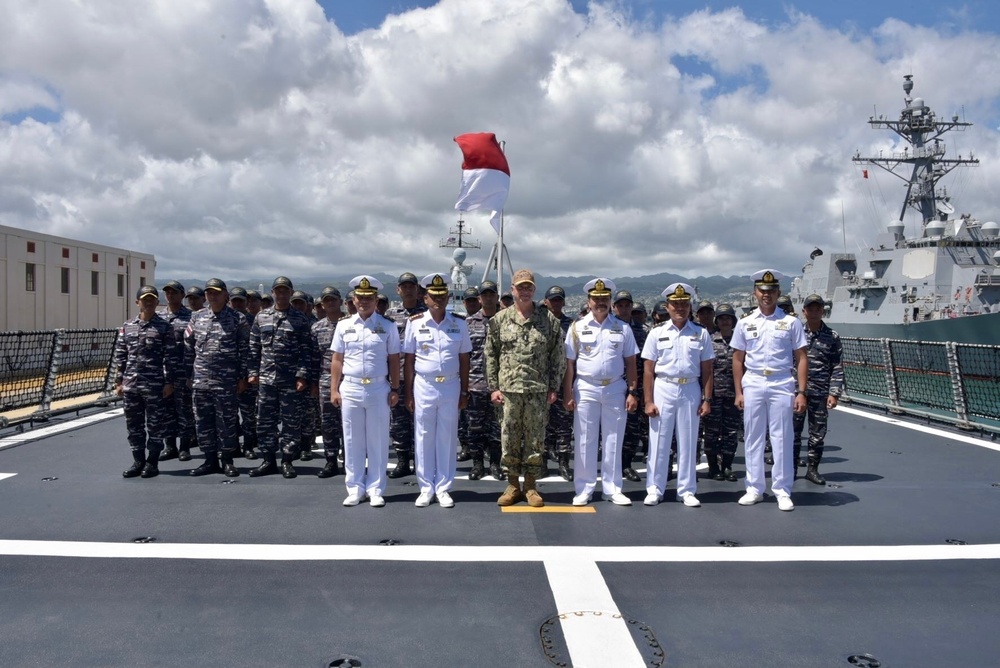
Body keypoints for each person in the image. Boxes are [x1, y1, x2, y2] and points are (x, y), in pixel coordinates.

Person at [485, 269, 565, 507]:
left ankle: (530, 487)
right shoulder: (500, 320)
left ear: (534, 290)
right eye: (520, 287)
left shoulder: (548, 320)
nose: (525, 291)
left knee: (535, 440)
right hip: (508, 392)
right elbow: (491, 355)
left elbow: (557, 356)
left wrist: (554, 387)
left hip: (537, 391)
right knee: (508, 438)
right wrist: (493, 387)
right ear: (512, 290)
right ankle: (512, 486)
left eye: (529, 287)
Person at [731, 270, 808, 511]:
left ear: (778, 293)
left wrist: (801, 391)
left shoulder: (791, 322)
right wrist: (739, 392)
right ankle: (754, 488)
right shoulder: (745, 323)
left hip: (781, 381)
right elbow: (737, 359)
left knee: (782, 437)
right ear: (755, 293)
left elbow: (801, 357)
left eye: (771, 291)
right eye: (763, 291)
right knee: (753, 436)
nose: (767, 295)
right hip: (753, 381)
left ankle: (782, 490)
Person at [563, 278, 639, 506]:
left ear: (610, 301)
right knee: (585, 438)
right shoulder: (577, 327)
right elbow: (569, 363)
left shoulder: (622, 328)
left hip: (615, 386)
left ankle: (612, 488)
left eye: (605, 299)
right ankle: (584, 489)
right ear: (588, 301)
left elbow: (631, 362)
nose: (600, 303)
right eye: (596, 299)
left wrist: (633, 391)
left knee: (613, 438)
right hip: (586, 386)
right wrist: (568, 392)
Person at [330, 276, 401, 507]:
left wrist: (395, 388)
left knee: (377, 440)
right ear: (353, 300)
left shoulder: (388, 326)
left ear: (376, 300)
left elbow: (393, 359)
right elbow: (337, 359)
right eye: (360, 298)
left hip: (378, 387)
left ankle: (376, 489)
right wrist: (334, 389)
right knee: (352, 440)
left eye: (369, 298)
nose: (364, 302)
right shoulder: (343, 325)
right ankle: (355, 487)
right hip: (350, 387)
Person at [642, 283, 714, 507]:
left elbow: (707, 369)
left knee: (688, 441)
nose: (680, 308)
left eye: (684, 304)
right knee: (659, 441)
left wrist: (707, 398)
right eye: (676, 304)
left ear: (690, 306)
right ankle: (655, 488)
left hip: (691, 389)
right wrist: (648, 400)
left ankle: (686, 490)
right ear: (667, 306)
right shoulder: (656, 333)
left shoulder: (700, 333)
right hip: (663, 386)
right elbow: (647, 369)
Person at [403, 274, 472, 507]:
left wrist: (464, 391)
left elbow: (464, 360)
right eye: (434, 296)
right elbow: (409, 360)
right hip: (424, 384)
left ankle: (443, 487)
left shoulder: (459, 324)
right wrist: (408, 392)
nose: (438, 300)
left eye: (442, 295)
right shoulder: (415, 323)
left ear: (448, 297)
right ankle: (425, 487)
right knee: (423, 436)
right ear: (426, 297)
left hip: (451, 384)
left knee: (447, 435)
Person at [184, 278, 250, 477]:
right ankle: (209, 460)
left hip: (226, 380)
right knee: (203, 421)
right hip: (201, 380)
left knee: (227, 421)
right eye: (209, 293)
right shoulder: (196, 318)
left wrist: (242, 378)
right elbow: (188, 348)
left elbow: (245, 351)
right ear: (205, 296)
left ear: (224, 294)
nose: (212, 296)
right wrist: (188, 375)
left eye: (216, 292)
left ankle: (227, 460)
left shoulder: (238, 319)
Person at [248, 276, 312, 479]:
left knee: (291, 422)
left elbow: (306, 351)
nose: (282, 294)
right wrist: (252, 373)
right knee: (264, 421)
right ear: (273, 293)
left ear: (291, 293)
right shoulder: (261, 317)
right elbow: (254, 348)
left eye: (286, 291)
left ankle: (287, 460)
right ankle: (268, 460)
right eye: (278, 290)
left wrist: (302, 375)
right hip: (267, 380)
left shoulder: (300, 319)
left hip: (290, 380)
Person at [114, 286, 178, 479]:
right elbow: (120, 356)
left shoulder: (165, 327)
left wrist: (169, 382)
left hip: (155, 385)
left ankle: (152, 461)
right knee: (134, 425)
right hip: (131, 385)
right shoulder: (127, 326)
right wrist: (118, 382)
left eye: (152, 299)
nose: (148, 302)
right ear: (137, 302)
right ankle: (138, 460)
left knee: (155, 425)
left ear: (157, 302)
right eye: (145, 299)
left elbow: (170, 357)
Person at [793, 294, 844, 485]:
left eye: (818, 309)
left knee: (817, 433)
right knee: (792, 432)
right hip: (796, 392)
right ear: (804, 311)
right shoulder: (795, 334)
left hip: (820, 392)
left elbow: (837, 366)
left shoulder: (832, 337)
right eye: (810, 309)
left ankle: (812, 470)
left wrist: (834, 392)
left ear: (823, 311)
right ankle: (790, 468)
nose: (814, 312)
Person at [385, 272, 427, 478]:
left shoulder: (427, 314)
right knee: (399, 422)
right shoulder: (389, 317)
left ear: (418, 289)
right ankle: (402, 461)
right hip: (397, 377)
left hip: (421, 377)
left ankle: (421, 461)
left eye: (412, 286)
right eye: (404, 286)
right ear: (398, 290)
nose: (408, 289)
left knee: (421, 420)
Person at [463, 280, 503, 480]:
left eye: (491, 294)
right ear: (479, 298)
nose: (488, 297)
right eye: (484, 294)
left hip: (500, 386)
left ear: (497, 297)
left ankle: (495, 464)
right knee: (475, 428)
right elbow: (463, 356)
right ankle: (477, 465)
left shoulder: (506, 321)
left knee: (497, 429)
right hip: (475, 384)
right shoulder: (468, 323)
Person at [702, 303, 741, 482]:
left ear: (733, 320)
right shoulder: (708, 340)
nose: (725, 321)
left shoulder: (740, 341)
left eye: (728, 318)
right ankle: (713, 467)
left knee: (731, 433)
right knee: (711, 432)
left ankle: (727, 466)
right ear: (717, 321)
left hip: (734, 394)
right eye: (722, 318)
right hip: (714, 394)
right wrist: (706, 397)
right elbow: (704, 369)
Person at [158, 280, 195, 462]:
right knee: (166, 410)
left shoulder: (191, 317)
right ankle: (169, 446)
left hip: (183, 372)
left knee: (185, 410)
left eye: (174, 292)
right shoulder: (158, 318)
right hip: (164, 373)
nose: (170, 295)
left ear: (182, 295)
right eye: (168, 293)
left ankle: (185, 447)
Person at [311, 286, 345, 478]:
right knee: (328, 423)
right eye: (327, 300)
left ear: (340, 302)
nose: (330, 303)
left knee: (349, 423)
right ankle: (331, 461)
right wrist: (313, 383)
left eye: (333, 299)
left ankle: (350, 461)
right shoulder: (317, 327)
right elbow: (314, 358)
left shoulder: (351, 324)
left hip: (349, 379)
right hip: (325, 379)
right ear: (322, 304)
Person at [543, 285, 574, 481]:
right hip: (542, 382)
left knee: (564, 425)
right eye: (552, 299)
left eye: (559, 299)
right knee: (543, 424)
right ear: (546, 301)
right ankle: (543, 462)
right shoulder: (538, 322)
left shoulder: (572, 325)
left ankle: (563, 463)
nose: (556, 303)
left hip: (564, 381)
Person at [229, 286, 259, 460]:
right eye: (235, 300)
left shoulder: (253, 321)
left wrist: (248, 376)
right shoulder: (224, 319)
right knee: (229, 415)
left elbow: (253, 351)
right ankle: (233, 445)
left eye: (241, 300)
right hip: (227, 377)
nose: (238, 303)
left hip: (247, 376)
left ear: (246, 302)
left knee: (248, 415)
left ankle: (249, 445)